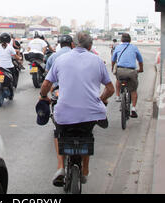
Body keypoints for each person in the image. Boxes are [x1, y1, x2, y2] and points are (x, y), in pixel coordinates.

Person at [39, 32, 114, 187]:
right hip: (91, 114)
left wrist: (43, 96)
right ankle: (85, 170)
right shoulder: (98, 61)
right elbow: (110, 89)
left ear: (73, 45)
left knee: (58, 134)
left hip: (64, 115)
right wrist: (101, 99)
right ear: (90, 46)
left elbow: (46, 85)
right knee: (87, 135)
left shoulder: (60, 59)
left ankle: (60, 168)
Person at [111, 33, 144, 117]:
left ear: (121, 40)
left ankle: (118, 96)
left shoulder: (118, 47)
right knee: (133, 90)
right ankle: (133, 108)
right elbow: (140, 60)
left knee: (118, 80)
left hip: (120, 70)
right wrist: (141, 69)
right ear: (130, 40)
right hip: (131, 72)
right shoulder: (134, 47)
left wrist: (112, 68)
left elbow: (113, 60)